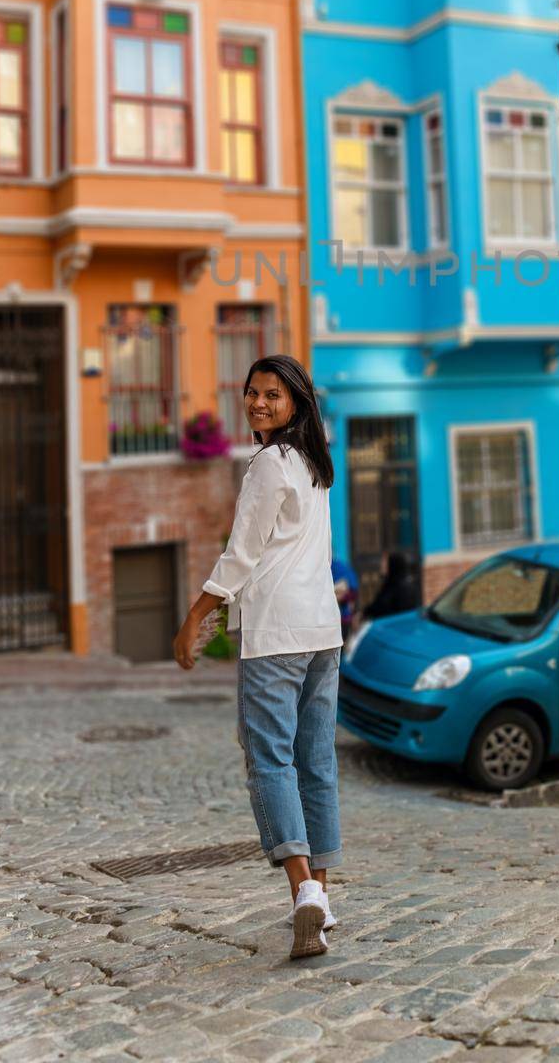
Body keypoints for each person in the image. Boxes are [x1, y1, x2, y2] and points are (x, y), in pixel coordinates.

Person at [173, 355, 342, 960]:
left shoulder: (270, 463)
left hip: (276, 633)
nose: (258, 403)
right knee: (315, 762)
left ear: (297, 400)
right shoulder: (316, 465)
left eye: (273, 394)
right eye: (251, 393)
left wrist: (196, 615)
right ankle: (320, 894)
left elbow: (243, 552)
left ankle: (304, 893)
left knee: (270, 760)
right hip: (323, 630)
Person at [363, 548, 421, 619]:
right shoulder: (389, 585)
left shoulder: (403, 589)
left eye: (384, 563)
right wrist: (363, 613)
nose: (381, 566)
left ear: (393, 565)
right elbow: (375, 606)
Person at [330, 556, 359, 643]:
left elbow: (352, 590)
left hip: (340, 618)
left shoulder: (336, 567)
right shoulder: (341, 566)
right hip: (342, 618)